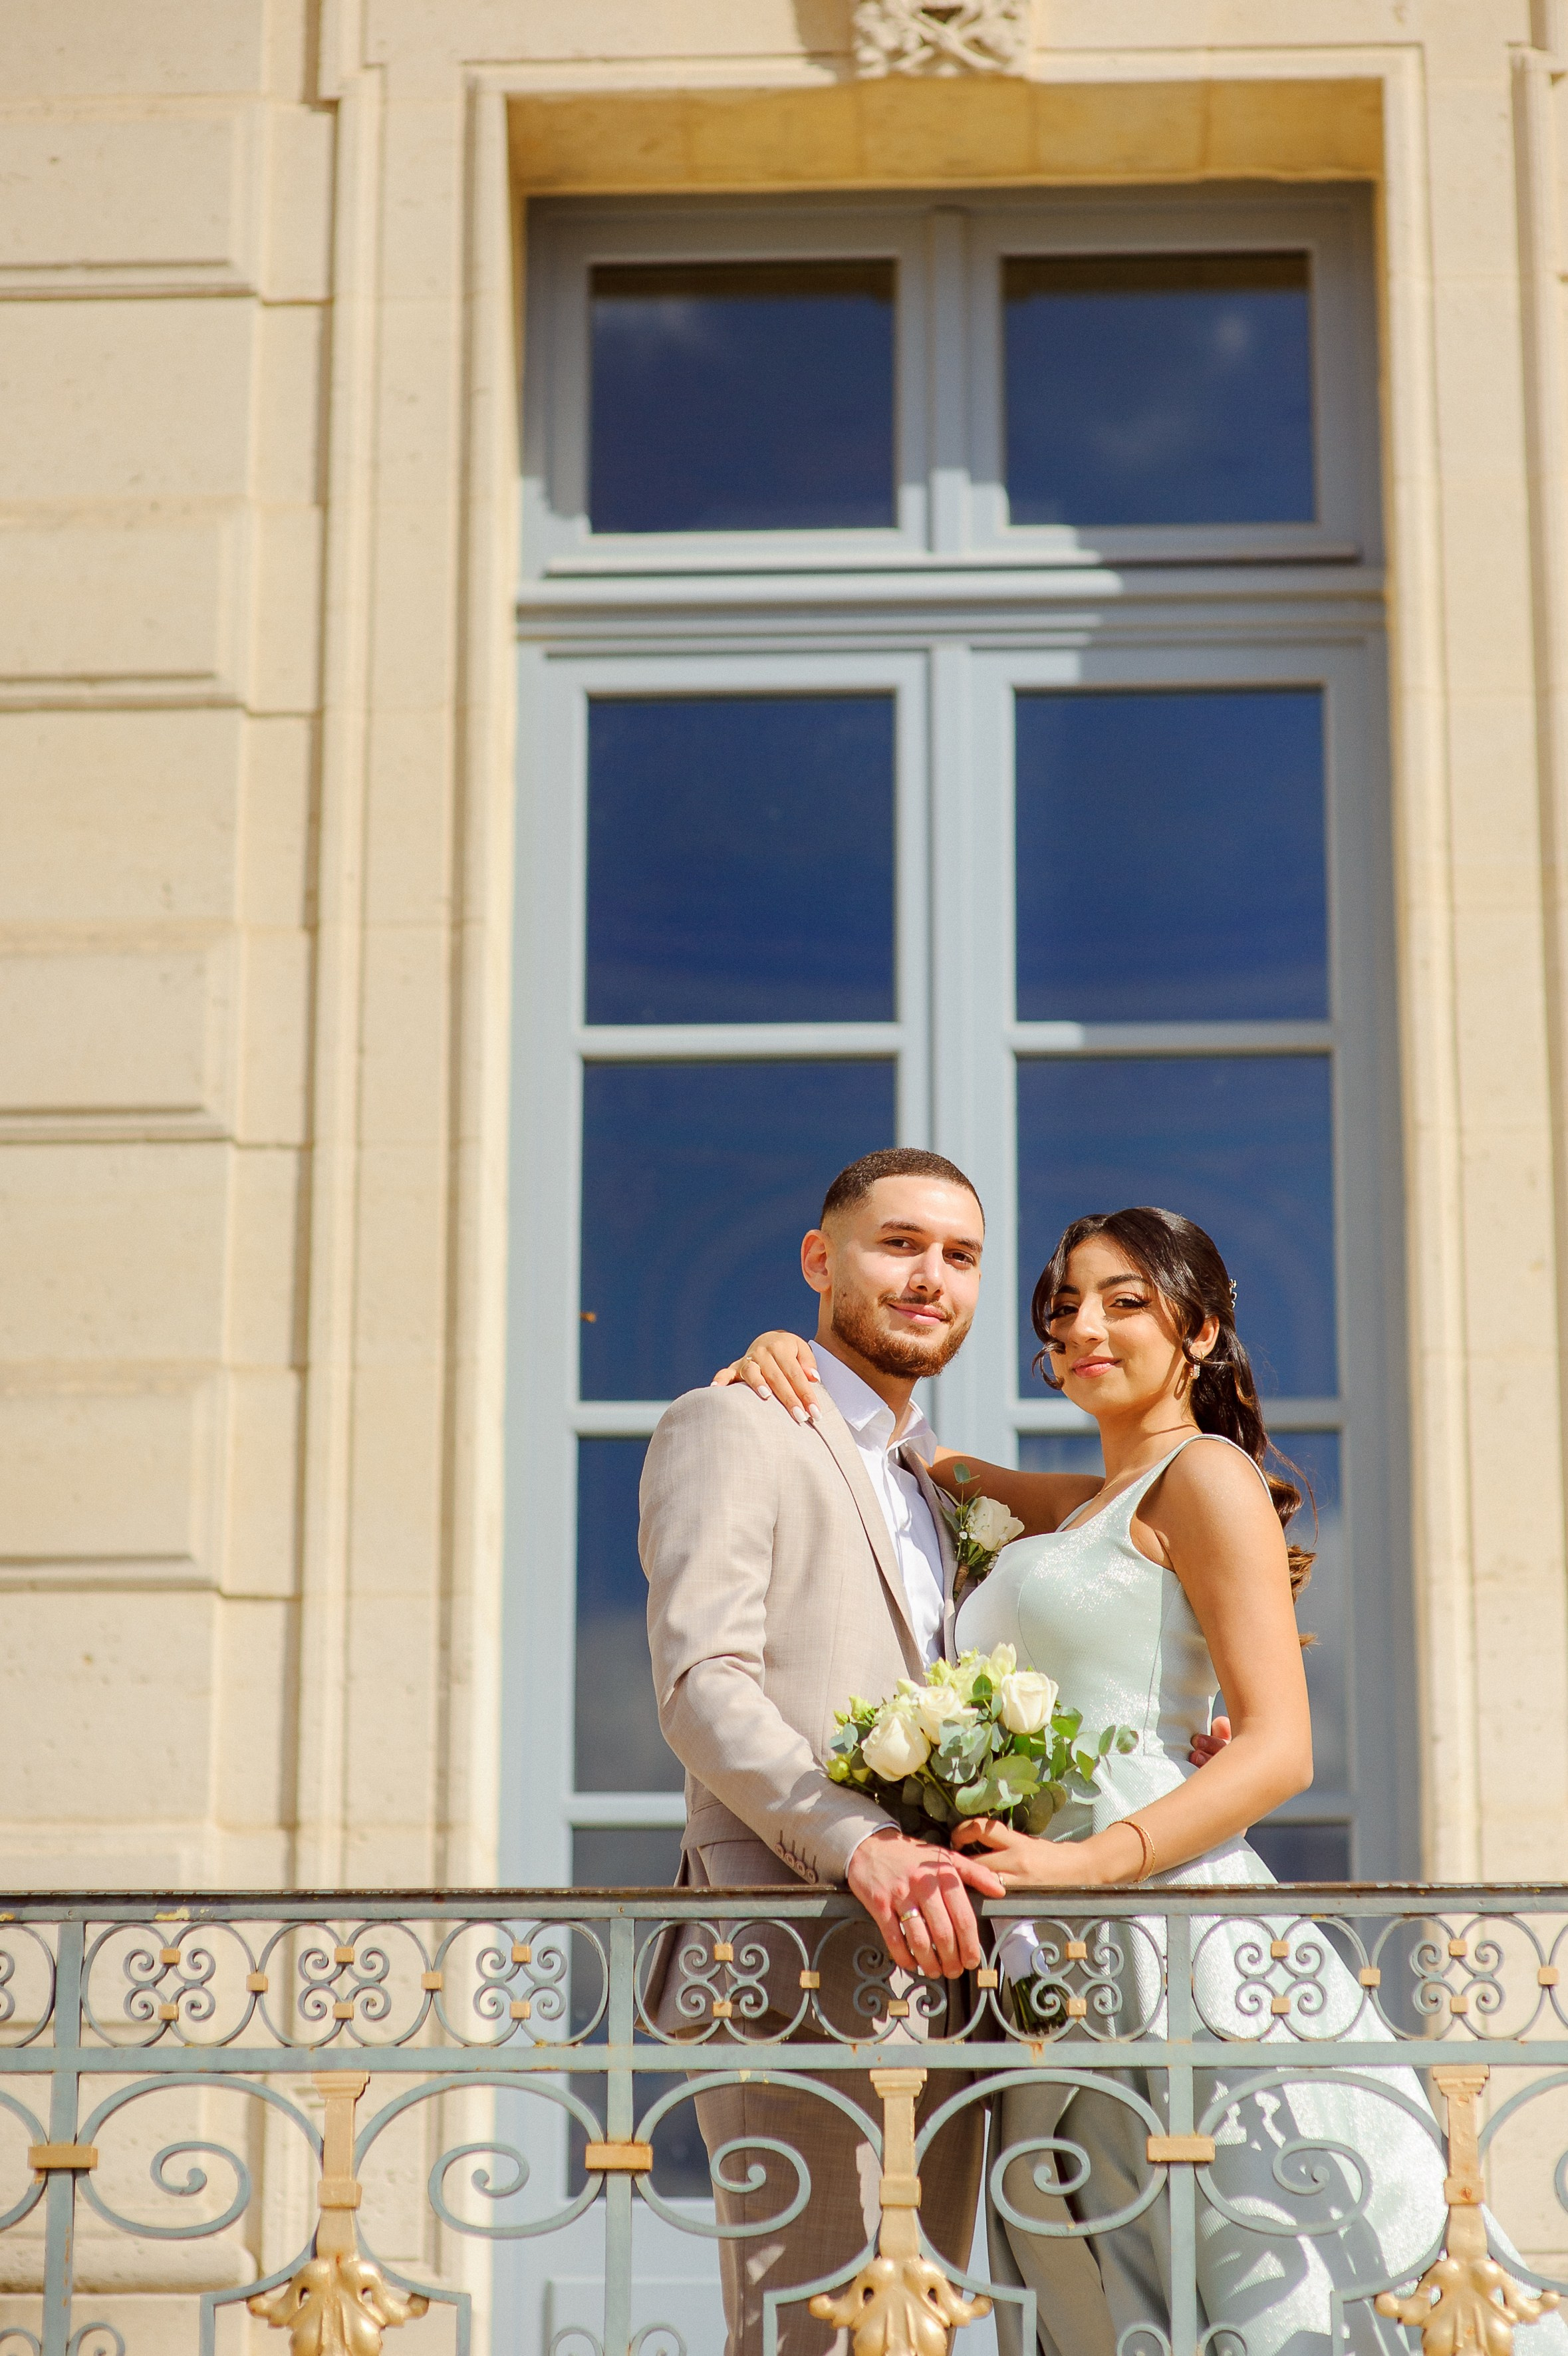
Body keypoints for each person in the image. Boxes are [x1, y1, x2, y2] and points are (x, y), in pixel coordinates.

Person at [716, 1205, 1565, 2356]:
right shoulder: (1079, 1505)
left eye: (1125, 1301)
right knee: (1110, 2295)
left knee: (1250, 2269)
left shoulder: (1209, 1476)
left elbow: (1280, 1749)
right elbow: (904, 1460)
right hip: (1051, 1960)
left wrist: (1081, 1864)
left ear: (1201, 1332)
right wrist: (790, 1355)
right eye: (1062, 1307)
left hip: (1176, 1937)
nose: (1082, 1328)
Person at [640, 1146, 1004, 2356]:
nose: (929, 1278)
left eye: (958, 1257)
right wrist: (863, 1849)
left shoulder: (939, 1481)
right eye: (899, 1244)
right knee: (810, 2335)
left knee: (929, 2334)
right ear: (819, 1260)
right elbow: (703, 1685)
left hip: (959, 1972)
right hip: (790, 1958)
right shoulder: (732, 1423)